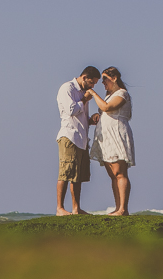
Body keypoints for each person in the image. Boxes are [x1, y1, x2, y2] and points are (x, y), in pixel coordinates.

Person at [88, 67, 135, 216]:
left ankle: (123, 208)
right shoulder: (109, 95)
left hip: (117, 134)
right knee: (113, 174)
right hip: (106, 137)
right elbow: (104, 110)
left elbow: (107, 107)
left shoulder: (122, 93)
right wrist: (97, 115)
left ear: (114, 78)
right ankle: (117, 207)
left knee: (120, 172)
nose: (103, 83)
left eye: (105, 79)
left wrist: (93, 94)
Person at [56, 66, 101, 216]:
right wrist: (84, 99)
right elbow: (71, 110)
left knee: (78, 176)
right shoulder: (67, 88)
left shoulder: (83, 93)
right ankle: (60, 208)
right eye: (92, 82)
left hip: (81, 138)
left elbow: (80, 118)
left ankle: (76, 208)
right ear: (84, 77)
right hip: (69, 136)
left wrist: (91, 120)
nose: (93, 86)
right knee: (65, 172)